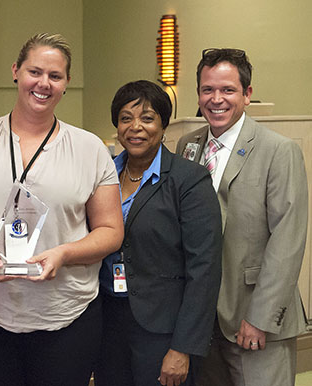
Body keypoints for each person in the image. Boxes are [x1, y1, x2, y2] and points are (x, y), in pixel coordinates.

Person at [0, 33, 124, 386]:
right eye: (34, 71)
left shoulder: (91, 149)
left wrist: (64, 254)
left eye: (55, 76)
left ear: (67, 84)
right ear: (16, 72)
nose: (44, 83)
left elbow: (111, 231)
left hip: (67, 314)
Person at [176, 48, 308, 386]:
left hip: (254, 319)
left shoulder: (278, 150)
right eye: (208, 90)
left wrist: (261, 318)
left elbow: (287, 241)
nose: (216, 99)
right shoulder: (188, 146)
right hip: (204, 324)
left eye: (227, 90)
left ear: (247, 94)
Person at [95, 80, 222, 386]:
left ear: (164, 126)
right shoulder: (103, 175)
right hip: (107, 320)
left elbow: (204, 269)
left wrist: (183, 347)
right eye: (126, 118)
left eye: (147, 118)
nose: (135, 127)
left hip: (162, 329)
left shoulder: (189, 180)